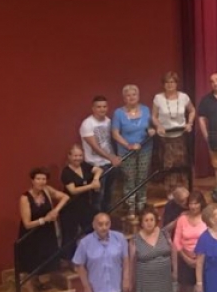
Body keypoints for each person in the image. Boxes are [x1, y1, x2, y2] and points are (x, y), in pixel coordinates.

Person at [17, 168, 69, 292]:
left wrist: (55, 210)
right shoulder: (25, 198)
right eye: (38, 179)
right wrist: (45, 219)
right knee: (29, 267)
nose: (41, 182)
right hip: (31, 236)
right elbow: (27, 224)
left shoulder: (47, 190)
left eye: (44, 179)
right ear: (32, 180)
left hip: (45, 234)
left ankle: (38, 282)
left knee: (43, 261)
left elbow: (65, 197)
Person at [130, 208, 174, 292]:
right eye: (146, 220)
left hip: (164, 274)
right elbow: (131, 261)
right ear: (141, 222)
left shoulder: (164, 234)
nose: (149, 223)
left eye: (151, 220)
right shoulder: (135, 239)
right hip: (145, 276)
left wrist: (175, 270)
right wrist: (130, 279)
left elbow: (173, 251)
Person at [111, 84, 155, 212]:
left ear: (138, 96)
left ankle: (141, 205)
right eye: (128, 95)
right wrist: (128, 145)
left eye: (134, 94)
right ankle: (130, 207)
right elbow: (115, 133)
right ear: (124, 98)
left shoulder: (146, 110)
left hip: (145, 149)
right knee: (129, 179)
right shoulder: (118, 113)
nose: (131, 97)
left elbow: (150, 126)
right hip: (126, 151)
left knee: (142, 178)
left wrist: (151, 130)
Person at [151, 72, 195, 192]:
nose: (169, 84)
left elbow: (192, 110)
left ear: (176, 83)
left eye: (172, 82)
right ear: (163, 84)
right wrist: (159, 125)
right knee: (168, 164)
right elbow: (154, 116)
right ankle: (170, 191)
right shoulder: (158, 98)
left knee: (181, 163)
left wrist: (190, 123)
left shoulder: (184, 97)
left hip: (181, 136)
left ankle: (183, 190)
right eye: (167, 82)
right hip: (165, 137)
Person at [172, 191, 208, 292]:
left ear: (201, 204)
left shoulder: (206, 218)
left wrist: (199, 259)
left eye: (196, 203)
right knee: (187, 291)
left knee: (203, 289)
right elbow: (177, 241)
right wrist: (186, 258)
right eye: (191, 203)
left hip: (203, 259)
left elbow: (210, 238)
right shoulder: (182, 219)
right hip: (185, 259)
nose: (193, 206)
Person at [80, 95, 121, 213]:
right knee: (97, 198)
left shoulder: (109, 121)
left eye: (104, 106)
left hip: (110, 163)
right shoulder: (87, 124)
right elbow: (95, 147)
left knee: (109, 196)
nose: (102, 109)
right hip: (95, 165)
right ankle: (96, 220)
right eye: (99, 107)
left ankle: (107, 219)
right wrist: (112, 158)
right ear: (93, 108)